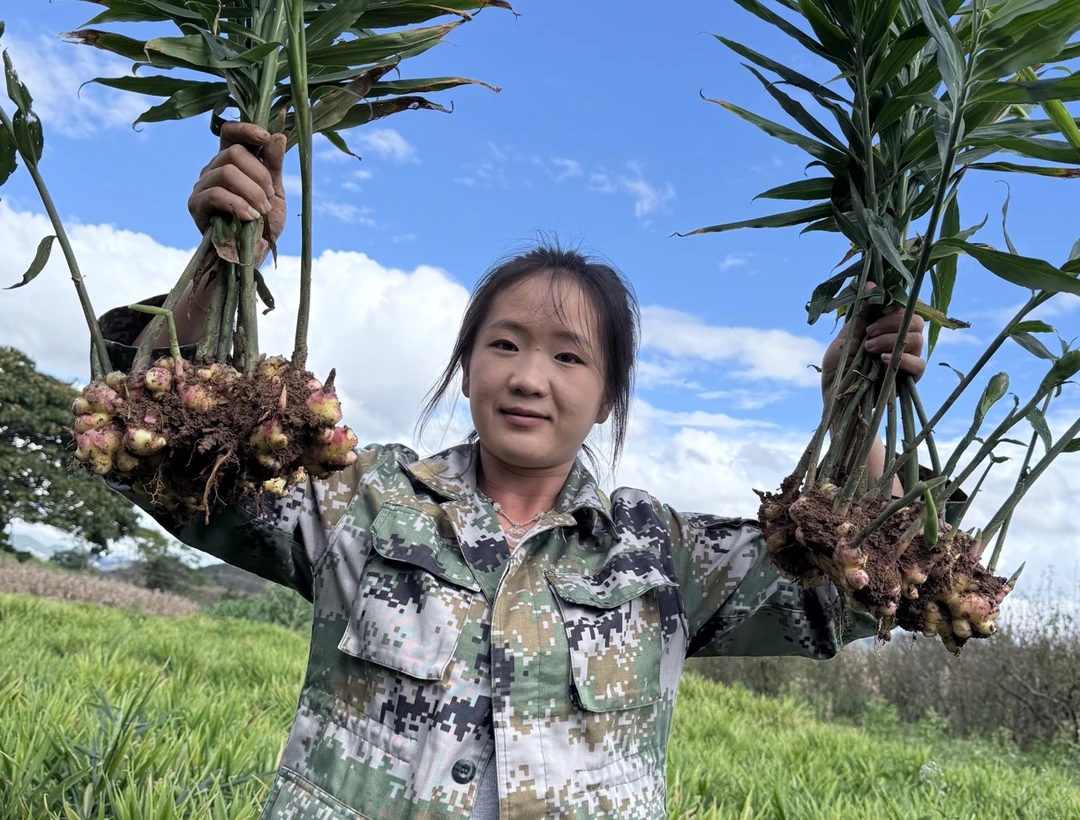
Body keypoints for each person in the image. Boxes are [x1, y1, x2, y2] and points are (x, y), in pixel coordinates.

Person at [99, 123, 926, 820]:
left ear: (607, 398)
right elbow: (164, 460)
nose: (530, 378)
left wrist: (855, 400)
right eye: (505, 345)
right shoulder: (366, 505)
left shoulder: (663, 559)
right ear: (466, 370)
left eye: (570, 357)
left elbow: (852, 590)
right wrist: (221, 261)